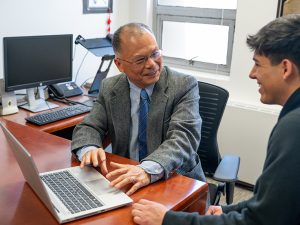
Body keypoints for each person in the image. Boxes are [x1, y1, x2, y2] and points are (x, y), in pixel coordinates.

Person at [131, 14, 300, 225]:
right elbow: (271, 202)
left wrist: (167, 219)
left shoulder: (294, 128)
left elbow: (261, 221)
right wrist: (228, 209)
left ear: (286, 68)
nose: (251, 73)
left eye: (258, 64)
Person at [71, 23, 205, 196]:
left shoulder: (183, 85)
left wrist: (146, 170)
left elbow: (183, 139)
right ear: (119, 65)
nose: (152, 64)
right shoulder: (110, 87)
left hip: (174, 178)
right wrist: (89, 149)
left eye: (155, 53)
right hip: (127, 178)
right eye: (140, 60)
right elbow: (88, 127)